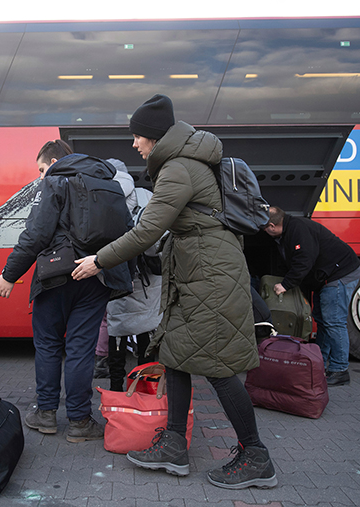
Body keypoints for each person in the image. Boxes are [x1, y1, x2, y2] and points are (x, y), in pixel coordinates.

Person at [73, 94, 277, 489]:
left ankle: (256, 456)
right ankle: (173, 445)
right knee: (176, 355)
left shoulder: (178, 169)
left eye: (137, 136)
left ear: (153, 136)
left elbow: (147, 230)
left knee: (216, 365)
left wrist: (99, 260)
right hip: (196, 270)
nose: (134, 144)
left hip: (210, 275)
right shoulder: (181, 164)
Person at [0, 140, 132, 443]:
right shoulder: (111, 185)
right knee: (81, 349)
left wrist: (9, 274)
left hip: (56, 275)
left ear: (54, 162)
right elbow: (128, 233)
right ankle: (80, 420)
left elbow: (36, 234)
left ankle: (45, 414)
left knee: (48, 345)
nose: (41, 175)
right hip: (96, 276)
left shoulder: (55, 182)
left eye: (42, 168)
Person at [262, 206, 360, 386]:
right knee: (322, 320)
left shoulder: (298, 229)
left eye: (264, 229)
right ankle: (319, 363)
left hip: (339, 275)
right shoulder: (290, 229)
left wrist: (285, 284)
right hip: (326, 277)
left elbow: (303, 261)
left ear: (272, 226)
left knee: (333, 322)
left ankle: (340, 371)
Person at [104, 158, 160, 391]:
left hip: (119, 274)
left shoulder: (103, 197)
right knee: (148, 332)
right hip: (150, 278)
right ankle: (146, 393)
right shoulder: (147, 195)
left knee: (117, 333)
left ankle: (116, 392)